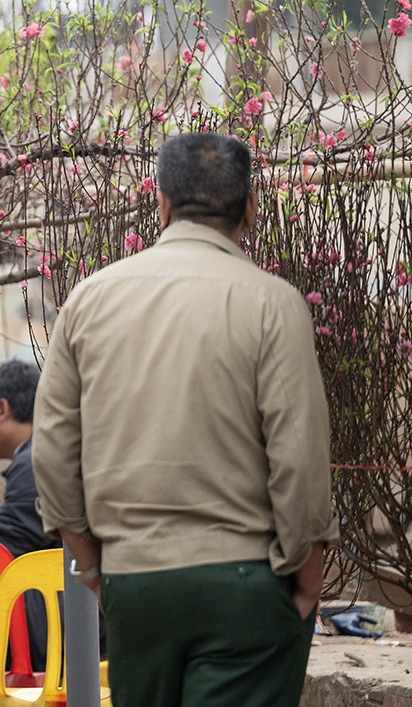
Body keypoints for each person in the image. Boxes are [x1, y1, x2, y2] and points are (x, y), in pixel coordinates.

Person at [32, 132, 338, 707]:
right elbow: (298, 456)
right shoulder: (274, 304)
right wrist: (307, 574)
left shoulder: (90, 299)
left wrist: (94, 564)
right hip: (246, 585)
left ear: (163, 203)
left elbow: (51, 449)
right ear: (250, 207)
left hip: (136, 585)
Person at [0, 360, 58, 664]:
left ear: (2, 410)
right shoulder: (43, 453)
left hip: (60, 627)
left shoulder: (37, 462)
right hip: (69, 614)